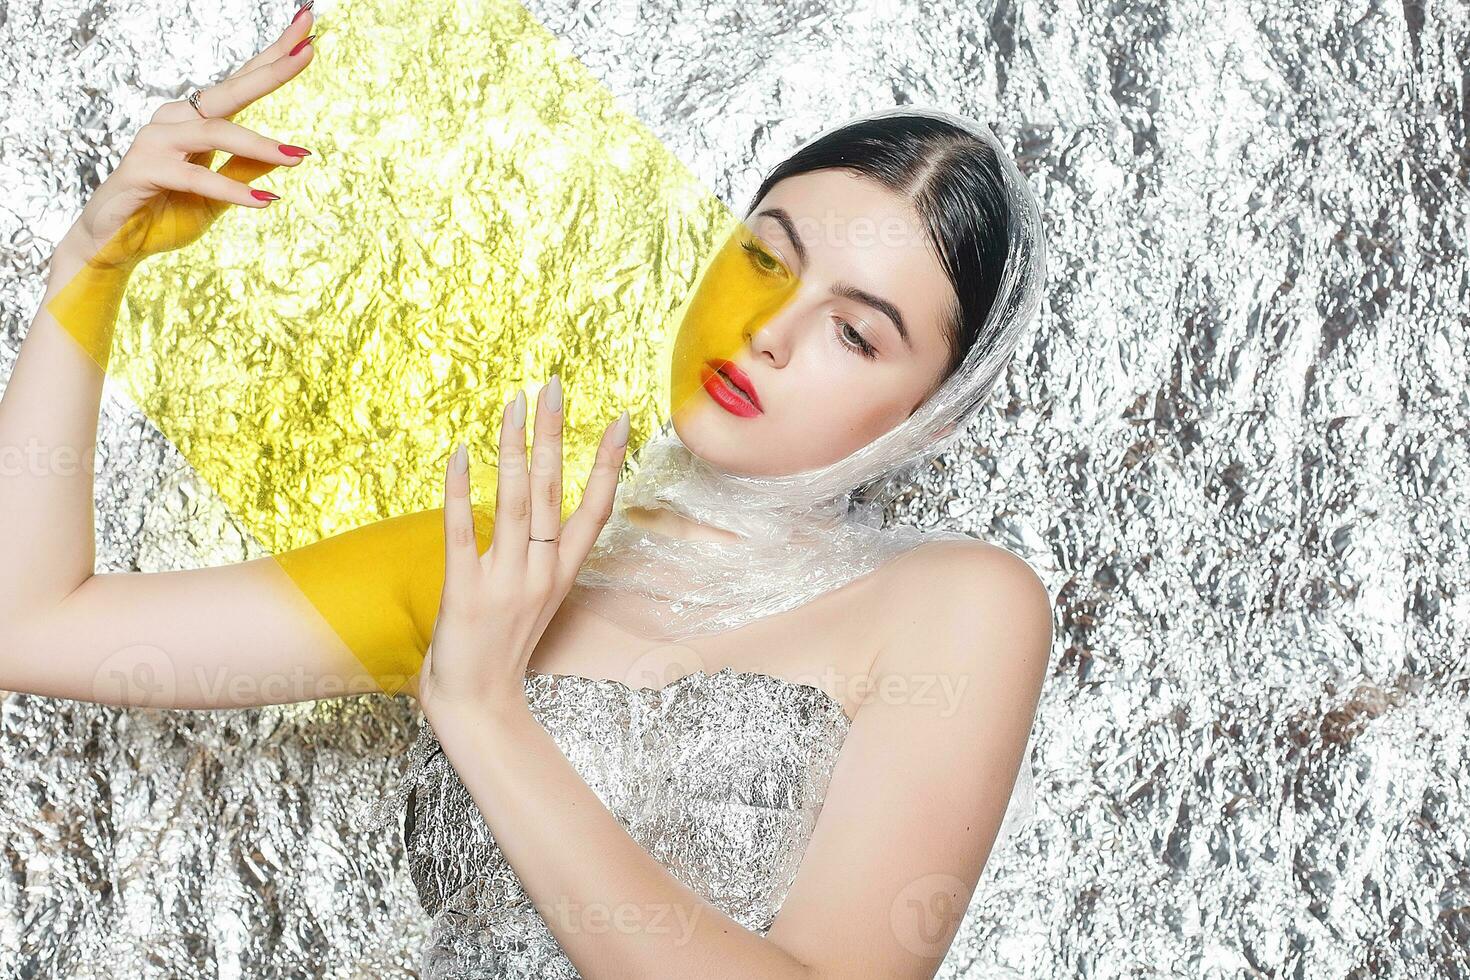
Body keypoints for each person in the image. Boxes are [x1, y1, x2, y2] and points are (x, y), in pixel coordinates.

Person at [0, 8, 1052, 978]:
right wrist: (91, 274)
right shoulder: (504, 565)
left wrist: (483, 707)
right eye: (766, 259)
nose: (767, 332)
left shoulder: (956, 605)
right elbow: (28, 624)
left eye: (855, 331)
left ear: (935, 415)